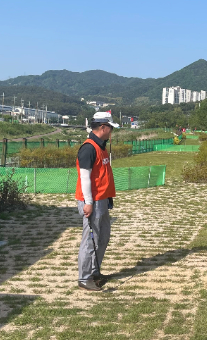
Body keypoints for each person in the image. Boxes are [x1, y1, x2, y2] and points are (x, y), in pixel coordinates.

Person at [75, 111, 118, 291]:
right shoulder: (89, 148)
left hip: (102, 199)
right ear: (102, 127)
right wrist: (89, 202)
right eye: (110, 128)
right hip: (92, 201)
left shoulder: (101, 146)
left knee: (103, 237)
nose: (111, 132)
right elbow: (85, 177)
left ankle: (95, 271)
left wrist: (107, 198)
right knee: (90, 240)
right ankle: (84, 278)